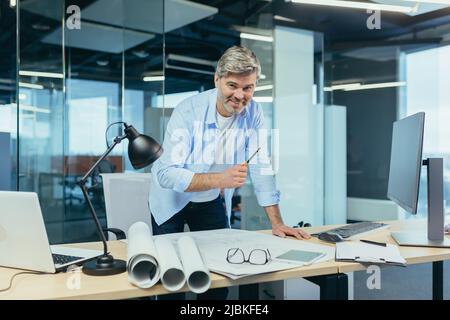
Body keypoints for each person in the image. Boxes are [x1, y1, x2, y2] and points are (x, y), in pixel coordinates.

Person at [149, 45, 310, 299]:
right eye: (232, 85)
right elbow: (166, 174)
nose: (240, 95)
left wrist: (277, 222)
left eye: (248, 88)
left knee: (219, 278)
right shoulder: (188, 111)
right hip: (171, 201)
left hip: (211, 199)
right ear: (217, 79)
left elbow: (260, 165)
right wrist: (220, 179)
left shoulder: (254, 113)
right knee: (172, 280)